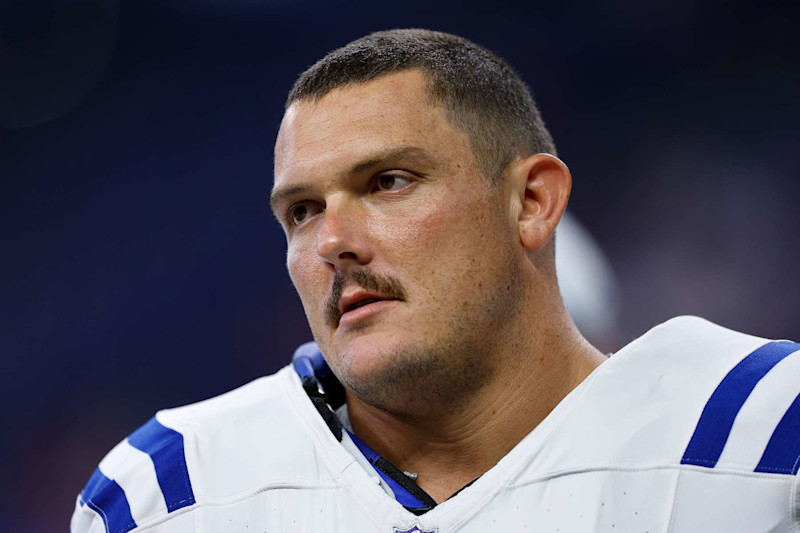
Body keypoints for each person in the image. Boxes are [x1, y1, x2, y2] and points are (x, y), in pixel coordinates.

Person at [71, 29, 800, 533]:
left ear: (532, 201)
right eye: (301, 211)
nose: (333, 243)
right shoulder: (170, 492)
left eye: (388, 181)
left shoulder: (768, 432)